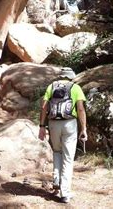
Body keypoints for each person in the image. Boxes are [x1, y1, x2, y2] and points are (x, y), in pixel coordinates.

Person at [38, 71, 87, 204]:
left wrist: (42, 126)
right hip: (69, 124)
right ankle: (65, 193)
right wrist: (83, 128)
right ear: (71, 77)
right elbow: (81, 109)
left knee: (57, 152)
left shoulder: (51, 87)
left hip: (53, 124)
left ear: (60, 76)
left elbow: (43, 107)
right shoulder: (75, 88)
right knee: (68, 157)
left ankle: (57, 182)